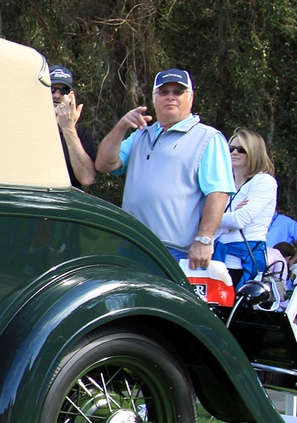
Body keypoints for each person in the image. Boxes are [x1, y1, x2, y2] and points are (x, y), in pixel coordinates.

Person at [95, 68, 232, 268]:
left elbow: (218, 192)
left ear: (190, 98)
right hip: (133, 244)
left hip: (175, 251)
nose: (171, 97)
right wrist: (121, 126)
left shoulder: (208, 138)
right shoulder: (141, 135)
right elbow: (104, 164)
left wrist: (204, 239)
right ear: (154, 98)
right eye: (164, 92)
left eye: (178, 91)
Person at [213, 128, 276, 284]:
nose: (234, 153)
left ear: (254, 152)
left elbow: (239, 220)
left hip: (243, 262)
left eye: (242, 150)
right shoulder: (225, 185)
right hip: (217, 260)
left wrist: (210, 218)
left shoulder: (263, 181)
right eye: (231, 149)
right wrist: (224, 219)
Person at [49, 65, 97, 187]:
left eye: (63, 90)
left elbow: (86, 178)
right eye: (52, 89)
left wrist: (68, 129)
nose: (57, 95)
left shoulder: (82, 134)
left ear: (71, 96)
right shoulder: (30, 128)